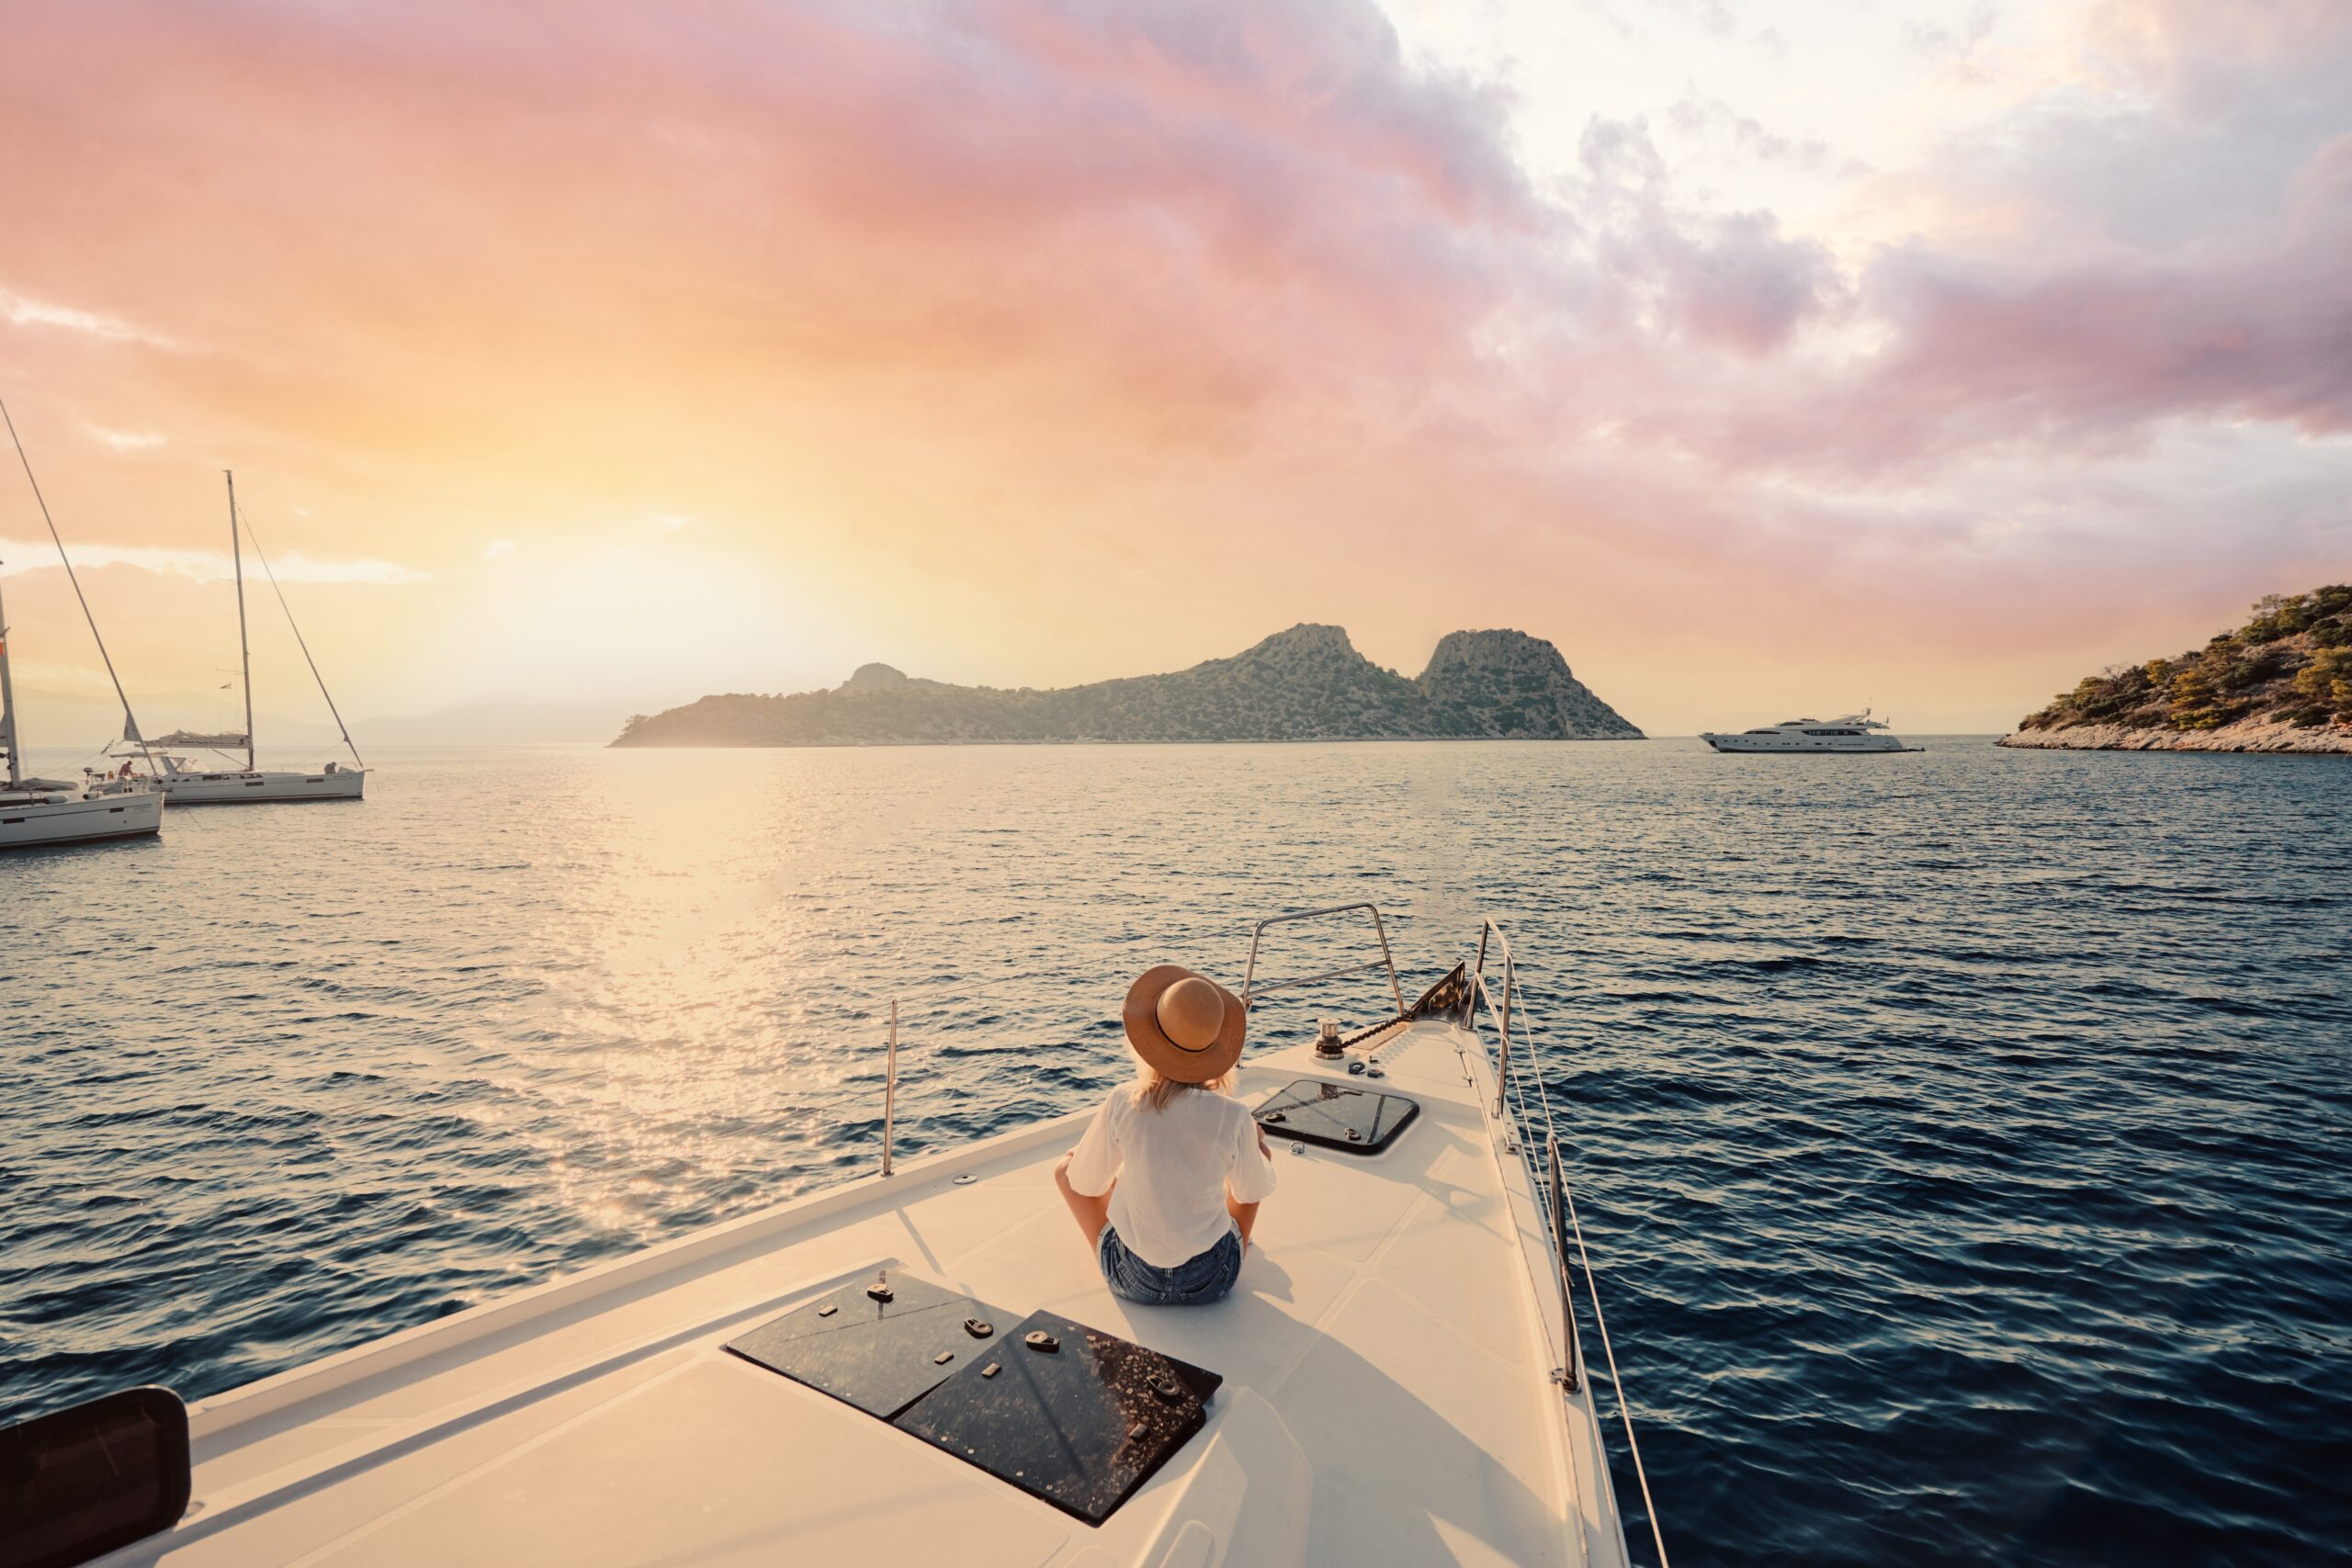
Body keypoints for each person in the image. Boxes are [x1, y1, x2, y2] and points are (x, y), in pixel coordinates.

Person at [1054, 964, 1277, 1307]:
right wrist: (1255, 1143)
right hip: (1213, 1280)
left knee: (1065, 1170)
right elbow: (1252, 1190)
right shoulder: (1233, 1115)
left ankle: (1111, 1251)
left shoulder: (1123, 1101)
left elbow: (1085, 1184)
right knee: (1257, 1166)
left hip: (1133, 1279)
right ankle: (1241, 1244)